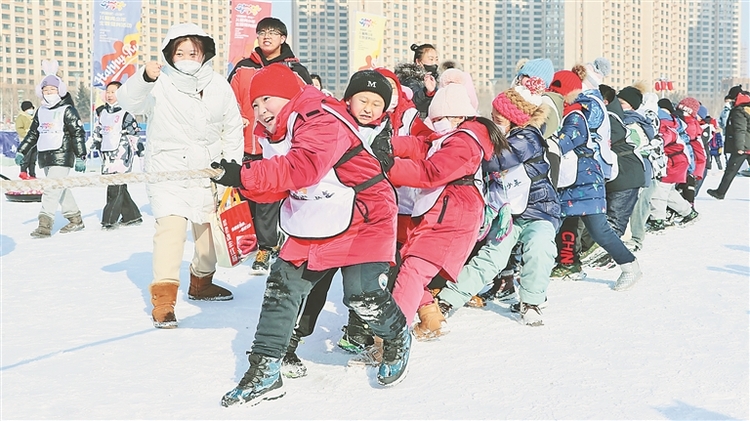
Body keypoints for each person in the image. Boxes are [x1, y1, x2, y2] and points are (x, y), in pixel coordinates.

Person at [212, 64, 410, 406]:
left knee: (362, 294)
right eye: (255, 105)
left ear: (287, 96)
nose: (261, 111)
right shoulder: (273, 131)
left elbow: (301, 168)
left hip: (366, 215)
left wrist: (245, 175)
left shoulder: (319, 118)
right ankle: (265, 371)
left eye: (267, 100)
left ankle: (396, 337)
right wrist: (242, 179)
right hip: (315, 216)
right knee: (281, 288)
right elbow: (277, 187)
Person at [116, 23, 244, 328]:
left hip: (209, 172)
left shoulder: (218, 85)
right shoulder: (159, 83)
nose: (187, 57)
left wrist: (232, 165)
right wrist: (145, 78)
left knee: (208, 239)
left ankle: (202, 282)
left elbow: (232, 126)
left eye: (193, 52)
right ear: (170, 55)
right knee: (170, 233)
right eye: (180, 52)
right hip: (168, 171)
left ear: (204, 54)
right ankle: (164, 299)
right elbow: (128, 102)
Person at [382, 83, 507, 338]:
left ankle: (392, 338)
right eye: (434, 118)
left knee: (413, 269)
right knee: (409, 264)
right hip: (444, 211)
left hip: (454, 214)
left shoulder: (465, 142)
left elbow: (432, 171)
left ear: (459, 116)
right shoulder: (452, 137)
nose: (435, 123)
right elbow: (422, 145)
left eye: (440, 118)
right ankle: (431, 319)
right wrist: (388, 146)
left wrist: (389, 167)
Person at [436, 85, 560, 327]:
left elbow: (500, 159)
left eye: (498, 119)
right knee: (492, 256)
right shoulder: (500, 137)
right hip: (507, 214)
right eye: (492, 117)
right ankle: (449, 299)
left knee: (540, 247)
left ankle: (532, 301)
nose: (494, 122)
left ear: (514, 120)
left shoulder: (529, 138)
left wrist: (469, 153)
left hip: (540, 211)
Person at [227, 17, 312, 274]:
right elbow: (226, 101)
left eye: (273, 33)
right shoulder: (243, 68)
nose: (267, 37)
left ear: (283, 39)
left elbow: (307, 102)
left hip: (276, 143)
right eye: (262, 32)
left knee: (268, 196)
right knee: (243, 193)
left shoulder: (294, 69)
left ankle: (267, 245)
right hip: (244, 141)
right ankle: (248, 240)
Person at [548, 67, 643, 291]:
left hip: (584, 181)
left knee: (598, 229)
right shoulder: (574, 110)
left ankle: (630, 267)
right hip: (577, 180)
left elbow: (567, 141)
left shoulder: (576, 114)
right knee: (565, 224)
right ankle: (569, 264)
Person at [16, 60, 87, 239]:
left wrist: (80, 156)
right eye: (46, 90)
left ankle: (44, 225)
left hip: (62, 154)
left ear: (60, 91)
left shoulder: (67, 110)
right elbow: (33, 134)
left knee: (50, 189)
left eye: (53, 90)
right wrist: (22, 150)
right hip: (46, 155)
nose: (49, 93)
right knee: (59, 188)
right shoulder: (41, 111)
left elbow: (77, 133)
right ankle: (75, 219)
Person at [90, 80, 142, 230]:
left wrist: (140, 154)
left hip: (121, 154)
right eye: (108, 92)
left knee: (115, 186)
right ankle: (132, 216)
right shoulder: (103, 113)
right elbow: (97, 133)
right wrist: (84, 151)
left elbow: (134, 136)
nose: (110, 95)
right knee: (118, 186)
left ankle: (109, 220)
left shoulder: (126, 113)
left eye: (113, 92)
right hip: (107, 155)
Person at [707, 91, 750, 200]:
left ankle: (720, 192)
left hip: (744, 146)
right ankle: (720, 192)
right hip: (747, 145)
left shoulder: (739, 111)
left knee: (730, 170)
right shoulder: (747, 109)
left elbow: (740, 130)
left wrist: (740, 147)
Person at [394, 43, 439, 119]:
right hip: (416, 122)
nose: (434, 63)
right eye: (431, 59)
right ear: (418, 61)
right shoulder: (409, 79)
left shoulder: (436, 80)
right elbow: (413, 100)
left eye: (436, 59)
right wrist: (427, 92)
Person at [15, 100, 37, 179]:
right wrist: (27, 135)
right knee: (26, 158)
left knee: (33, 159)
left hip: (34, 142)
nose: (31, 110)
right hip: (25, 141)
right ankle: (23, 172)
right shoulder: (21, 117)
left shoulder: (33, 118)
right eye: (30, 108)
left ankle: (32, 174)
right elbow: (19, 128)